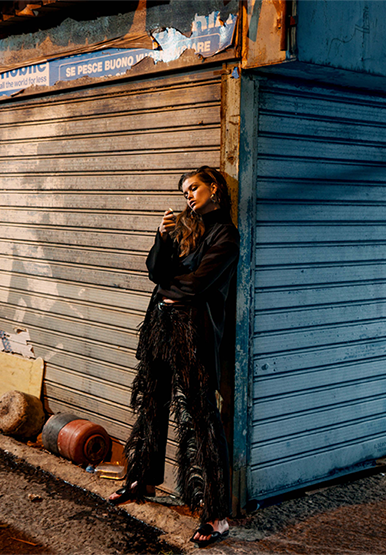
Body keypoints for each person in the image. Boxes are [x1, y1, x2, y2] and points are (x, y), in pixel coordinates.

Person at [108, 166, 239, 548]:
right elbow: (156, 272)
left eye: (194, 188)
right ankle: (140, 479)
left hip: (194, 335)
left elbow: (197, 285)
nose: (189, 196)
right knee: (151, 402)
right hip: (160, 328)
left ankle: (216, 515)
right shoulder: (185, 229)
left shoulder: (226, 235)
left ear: (213, 187)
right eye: (184, 192)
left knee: (201, 416)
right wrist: (162, 238)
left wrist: (169, 290)